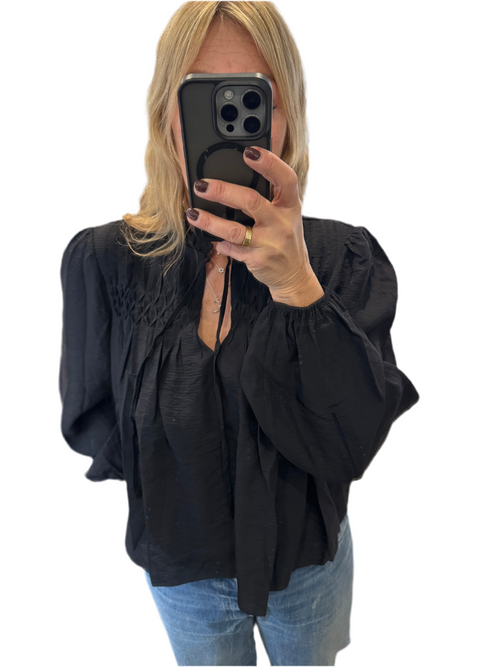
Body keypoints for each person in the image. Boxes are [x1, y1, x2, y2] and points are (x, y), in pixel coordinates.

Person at [59, 2, 420, 665]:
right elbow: (92, 418)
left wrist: (299, 288)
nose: (230, 125)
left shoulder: (342, 259)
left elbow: (357, 439)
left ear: (286, 119)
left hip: (308, 567)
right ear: (167, 115)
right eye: (202, 97)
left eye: (254, 100)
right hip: (183, 572)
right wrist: (171, 484)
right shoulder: (105, 259)